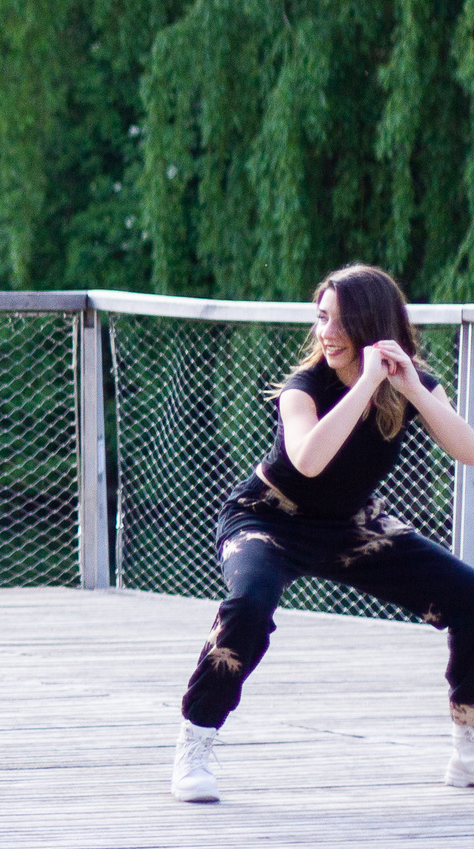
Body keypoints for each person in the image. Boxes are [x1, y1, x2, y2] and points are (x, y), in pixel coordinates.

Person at [172, 263, 474, 801]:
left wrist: (412, 387)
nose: (326, 333)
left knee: (470, 595)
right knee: (249, 604)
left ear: (374, 325)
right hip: (268, 517)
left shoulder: (412, 385)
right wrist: (366, 383)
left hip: (352, 525)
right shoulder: (302, 388)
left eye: (340, 322)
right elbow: (309, 461)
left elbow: (467, 450)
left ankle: (466, 747)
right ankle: (196, 738)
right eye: (321, 319)